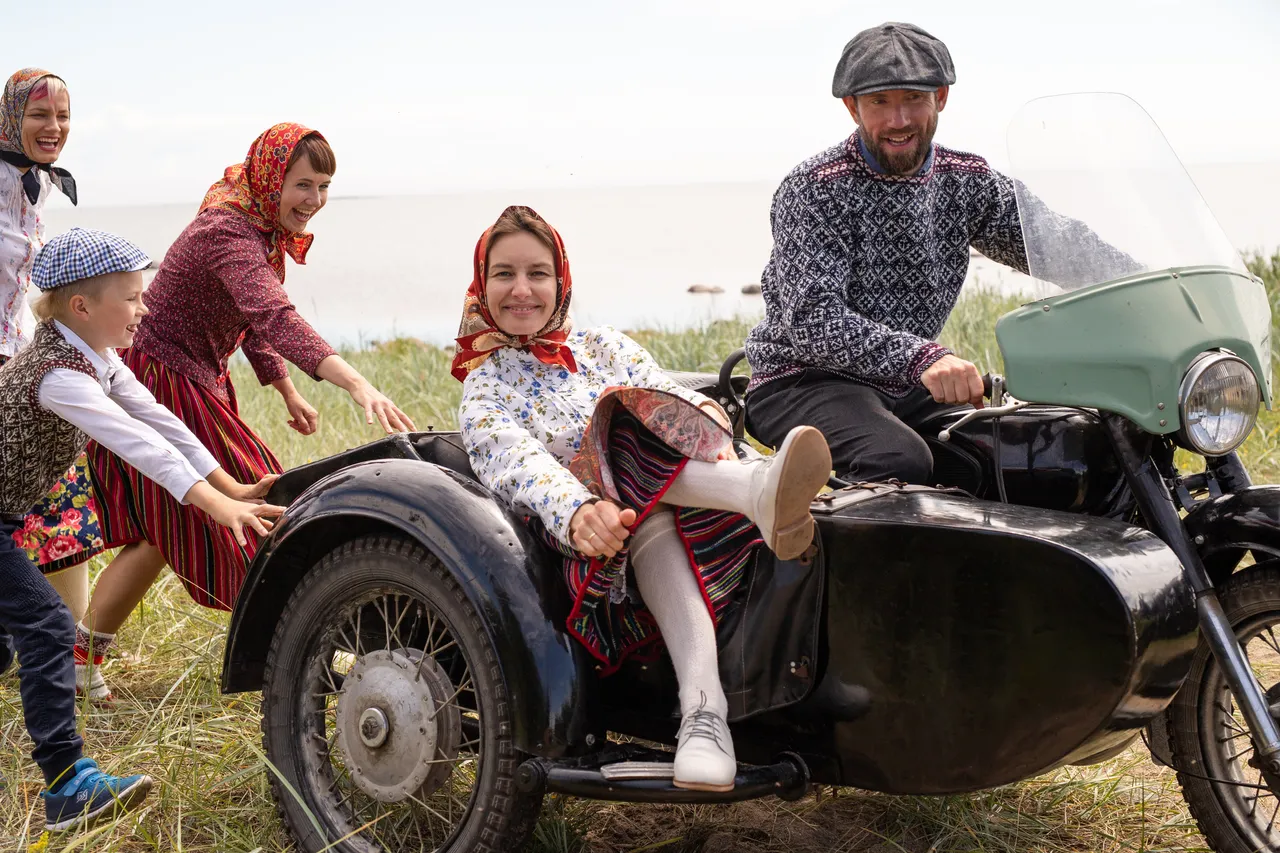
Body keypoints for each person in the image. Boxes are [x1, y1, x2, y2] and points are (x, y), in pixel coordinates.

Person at [457, 206, 831, 792]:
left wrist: (707, 417)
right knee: (620, 423)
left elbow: (664, 393)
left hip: (679, 514)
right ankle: (756, 494)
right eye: (504, 274)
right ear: (482, 285)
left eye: (538, 273)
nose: (522, 289)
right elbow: (517, 463)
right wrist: (578, 510)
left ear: (561, 280)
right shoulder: (485, 387)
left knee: (651, 422)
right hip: (591, 547)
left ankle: (707, 716)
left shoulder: (602, 344)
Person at [73, 123, 415, 701]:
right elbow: (274, 315)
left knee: (163, 529)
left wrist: (283, 387)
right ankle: (307, 648)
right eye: (302, 184)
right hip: (163, 379)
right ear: (271, 178)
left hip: (189, 375)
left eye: (324, 186)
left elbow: (251, 318)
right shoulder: (228, 229)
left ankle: (80, 660)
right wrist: (357, 384)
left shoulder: (253, 218)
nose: (314, 200)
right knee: (263, 505)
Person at [743, 22, 1133, 485]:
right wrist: (922, 358)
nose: (899, 120)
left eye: (913, 98)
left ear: (941, 97)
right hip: (803, 381)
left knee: (1046, 449)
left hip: (906, 385)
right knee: (898, 461)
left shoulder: (966, 180)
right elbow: (813, 319)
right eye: (879, 102)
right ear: (852, 107)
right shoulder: (815, 188)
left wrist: (1152, 286)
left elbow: (1055, 243)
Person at [0, 227, 283, 831]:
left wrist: (229, 487)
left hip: (7, 513)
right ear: (82, 307)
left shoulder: (97, 358)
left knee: (8, 643)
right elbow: (139, 447)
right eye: (131, 298)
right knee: (47, 626)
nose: (145, 309)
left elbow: (160, 420)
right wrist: (213, 505)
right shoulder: (58, 376)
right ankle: (66, 784)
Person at [0, 68, 103, 633]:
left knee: (62, 501)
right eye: (39, 114)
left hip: (22, 363)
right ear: (11, 117)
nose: (54, 127)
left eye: (63, 116)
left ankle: (76, 654)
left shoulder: (33, 185)